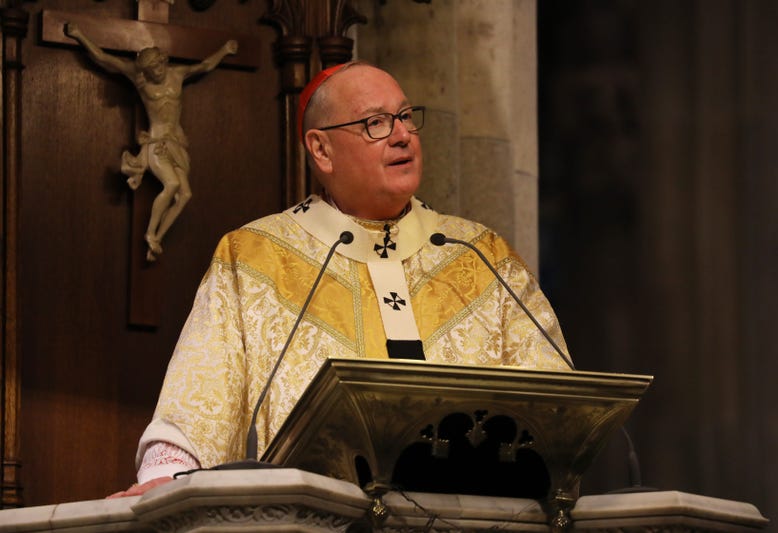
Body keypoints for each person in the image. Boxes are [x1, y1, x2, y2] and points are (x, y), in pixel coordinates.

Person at [109, 61, 573, 498]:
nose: (402, 136)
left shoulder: (482, 256)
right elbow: (198, 402)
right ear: (321, 149)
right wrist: (166, 477)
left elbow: (560, 408)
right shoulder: (253, 257)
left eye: (407, 117)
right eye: (376, 123)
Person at [65, 23, 238, 261]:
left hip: (175, 141)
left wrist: (225, 50)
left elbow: (204, 65)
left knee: (185, 195)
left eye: (157, 65)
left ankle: (156, 237)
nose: (155, 72)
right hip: (155, 142)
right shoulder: (141, 82)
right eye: (150, 69)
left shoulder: (177, 74)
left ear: (163, 61)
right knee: (172, 185)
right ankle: (149, 234)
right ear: (144, 71)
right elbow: (104, 58)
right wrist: (79, 35)